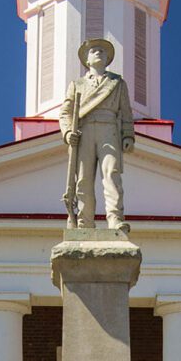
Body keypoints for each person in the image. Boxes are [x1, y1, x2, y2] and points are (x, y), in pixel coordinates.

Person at [59, 37, 135, 234]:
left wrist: (128, 135)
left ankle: (115, 219)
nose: (98, 53)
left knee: (111, 174)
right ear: (87, 59)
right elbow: (65, 113)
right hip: (83, 131)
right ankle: (84, 222)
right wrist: (68, 133)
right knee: (83, 179)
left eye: (102, 50)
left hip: (108, 128)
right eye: (94, 51)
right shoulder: (77, 85)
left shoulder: (117, 83)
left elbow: (126, 112)